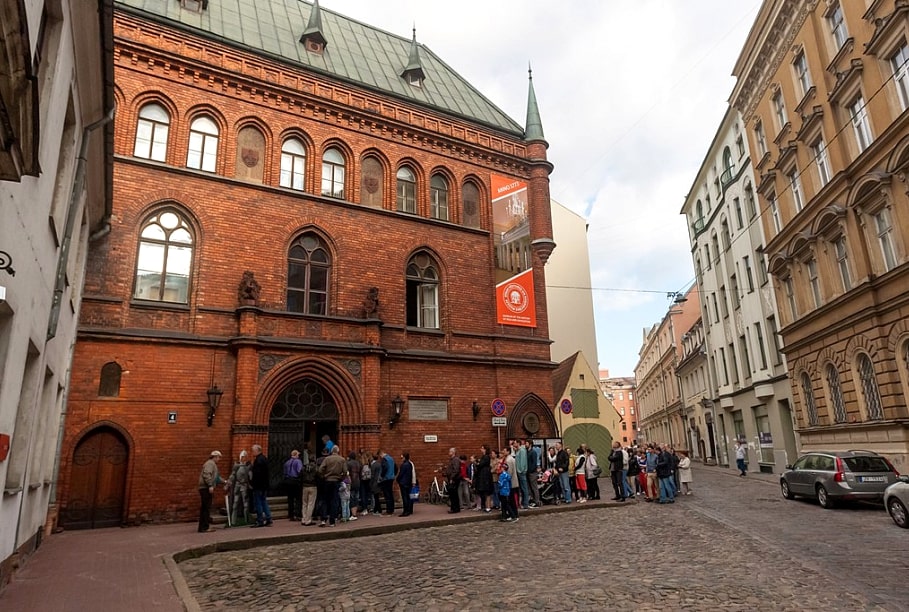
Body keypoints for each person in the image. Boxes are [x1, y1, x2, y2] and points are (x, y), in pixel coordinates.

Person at [318, 446, 347, 527]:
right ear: (338, 451)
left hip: (327, 481)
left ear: (331, 451)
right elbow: (345, 471)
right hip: (336, 481)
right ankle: (332, 521)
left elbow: (320, 470)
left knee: (325, 500)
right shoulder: (342, 459)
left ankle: (323, 519)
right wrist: (341, 478)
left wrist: (323, 476)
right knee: (334, 501)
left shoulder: (327, 459)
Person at [197, 450, 223, 532]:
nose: (219, 459)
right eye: (218, 457)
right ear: (215, 457)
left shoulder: (212, 464)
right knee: (206, 508)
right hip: (205, 488)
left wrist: (225, 482)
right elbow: (206, 474)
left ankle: (203, 526)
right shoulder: (210, 464)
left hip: (205, 488)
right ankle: (204, 527)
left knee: (205, 508)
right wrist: (210, 485)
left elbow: (216, 477)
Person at [249, 444, 273, 527]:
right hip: (264, 485)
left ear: (257, 451)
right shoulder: (264, 459)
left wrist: (252, 484)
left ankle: (260, 520)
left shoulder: (258, 460)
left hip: (258, 486)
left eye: (253, 451)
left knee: (258, 503)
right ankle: (269, 518)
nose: (252, 452)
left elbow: (257, 475)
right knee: (264, 502)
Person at [227, 450, 251, 526]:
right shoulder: (237, 466)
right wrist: (228, 483)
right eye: (242, 457)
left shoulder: (248, 466)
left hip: (244, 485)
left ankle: (246, 520)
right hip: (238, 485)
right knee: (235, 503)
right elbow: (233, 475)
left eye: (245, 457)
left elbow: (250, 477)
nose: (243, 458)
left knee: (246, 504)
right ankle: (233, 520)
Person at [283, 449, 303, 521]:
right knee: (298, 498)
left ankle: (291, 514)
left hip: (288, 481)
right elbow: (299, 471)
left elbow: (285, 472)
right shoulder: (298, 461)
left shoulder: (287, 462)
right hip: (295, 481)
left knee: (290, 498)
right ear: (296, 455)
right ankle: (298, 514)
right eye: (298, 454)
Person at [299, 455, 319, 525]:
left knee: (304, 503)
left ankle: (303, 519)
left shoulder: (304, 467)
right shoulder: (316, 468)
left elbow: (300, 475)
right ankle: (308, 520)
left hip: (305, 486)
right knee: (311, 503)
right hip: (313, 486)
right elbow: (318, 476)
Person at [395, 451, 416, 516]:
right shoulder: (410, 464)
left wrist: (397, 479)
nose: (401, 459)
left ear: (404, 457)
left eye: (402, 457)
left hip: (403, 483)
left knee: (404, 497)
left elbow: (401, 474)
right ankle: (409, 510)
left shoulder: (404, 465)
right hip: (408, 482)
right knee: (408, 497)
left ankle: (405, 511)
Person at [475, 445, 494, 513]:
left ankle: (488, 507)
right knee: (485, 493)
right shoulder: (484, 457)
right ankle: (486, 506)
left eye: (482, 448)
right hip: (483, 476)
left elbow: (480, 465)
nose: (481, 449)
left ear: (485, 449)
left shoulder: (486, 457)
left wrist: (477, 463)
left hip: (485, 477)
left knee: (487, 492)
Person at [380, 449, 396, 515]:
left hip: (386, 478)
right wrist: (393, 474)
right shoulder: (391, 459)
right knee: (390, 494)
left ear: (381, 454)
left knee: (387, 495)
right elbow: (396, 467)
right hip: (391, 478)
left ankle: (388, 510)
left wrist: (382, 475)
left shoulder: (384, 459)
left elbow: (385, 468)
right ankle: (392, 509)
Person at [445, 447, 462, 513]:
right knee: (452, 494)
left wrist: (452, 478)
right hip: (452, 478)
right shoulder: (452, 460)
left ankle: (455, 508)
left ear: (453, 452)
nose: (449, 452)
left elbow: (456, 470)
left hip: (454, 479)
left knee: (453, 494)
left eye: (450, 451)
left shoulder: (455, 460)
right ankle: (454, 508)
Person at [514, 439, 529, 510]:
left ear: (518, 443)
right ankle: (523, 502)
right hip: (518, 471)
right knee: (522, 488)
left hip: (521, 472)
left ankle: (525, 503)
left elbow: (522, 461)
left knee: (524, 488)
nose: (514, 444)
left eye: (515, 443)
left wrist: (520, 470)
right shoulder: (518, 451)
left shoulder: (522, 450)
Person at [525, 440, 541, 507]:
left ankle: (537, 501)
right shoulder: (527, 452)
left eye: (526, 443)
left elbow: (534, 463)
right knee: (530, 488)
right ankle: (532, 500)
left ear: (530, 444)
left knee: (534, 487)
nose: (525, 444)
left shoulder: (533, 452)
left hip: (532, 472)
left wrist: (530, 470)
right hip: (528, 472)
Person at [346, 451, 361, 520]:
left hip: (351, 482)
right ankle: (355, 513)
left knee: (351, 498)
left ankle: (353, 514)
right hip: (358, 482)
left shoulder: (348, 464)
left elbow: (346, 473)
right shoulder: (358, 463)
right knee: (356, 498)